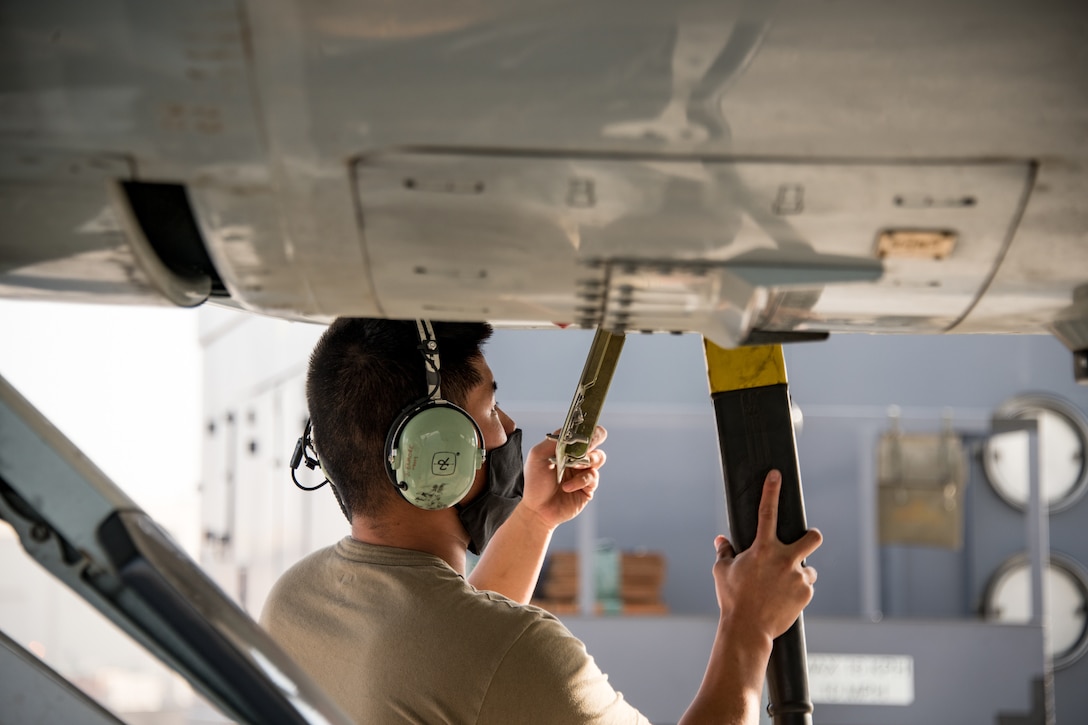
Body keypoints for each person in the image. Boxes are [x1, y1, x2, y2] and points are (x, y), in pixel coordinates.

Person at [260, 317, 822, 724]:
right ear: (440, 455)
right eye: (487, 408)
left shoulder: (293, 605)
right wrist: (748, 627)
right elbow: (476, 659)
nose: (505, 426)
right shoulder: (516, 655)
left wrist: (532, 517)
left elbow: (451, 657)